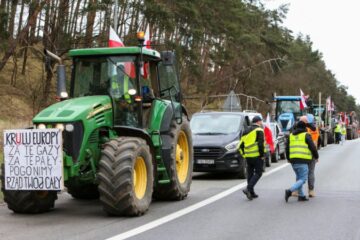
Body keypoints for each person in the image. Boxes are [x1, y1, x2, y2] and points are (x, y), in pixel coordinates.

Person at [285, 120, 319, 202]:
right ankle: (290, 191)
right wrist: (316, 156)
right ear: (305, 127)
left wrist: (288, 159)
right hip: (302, 160)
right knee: (303, 179)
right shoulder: (306, 135)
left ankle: (301, 195)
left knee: (299, 177)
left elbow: (287, 148)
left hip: (293, 161)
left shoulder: (291, 135)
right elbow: (312, 147)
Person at [239, 116, 265, 200]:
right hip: (257, 156)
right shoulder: (259, 130)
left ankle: (251, 193)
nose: (261, 123)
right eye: (261, 121)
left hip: (248, 157)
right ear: (258, 122)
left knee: (250, 174)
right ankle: (248, 188)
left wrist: (244, 155)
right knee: (259, 172)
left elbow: (241, 145)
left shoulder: (245, 131)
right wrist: (262, 155)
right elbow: (261, 145)